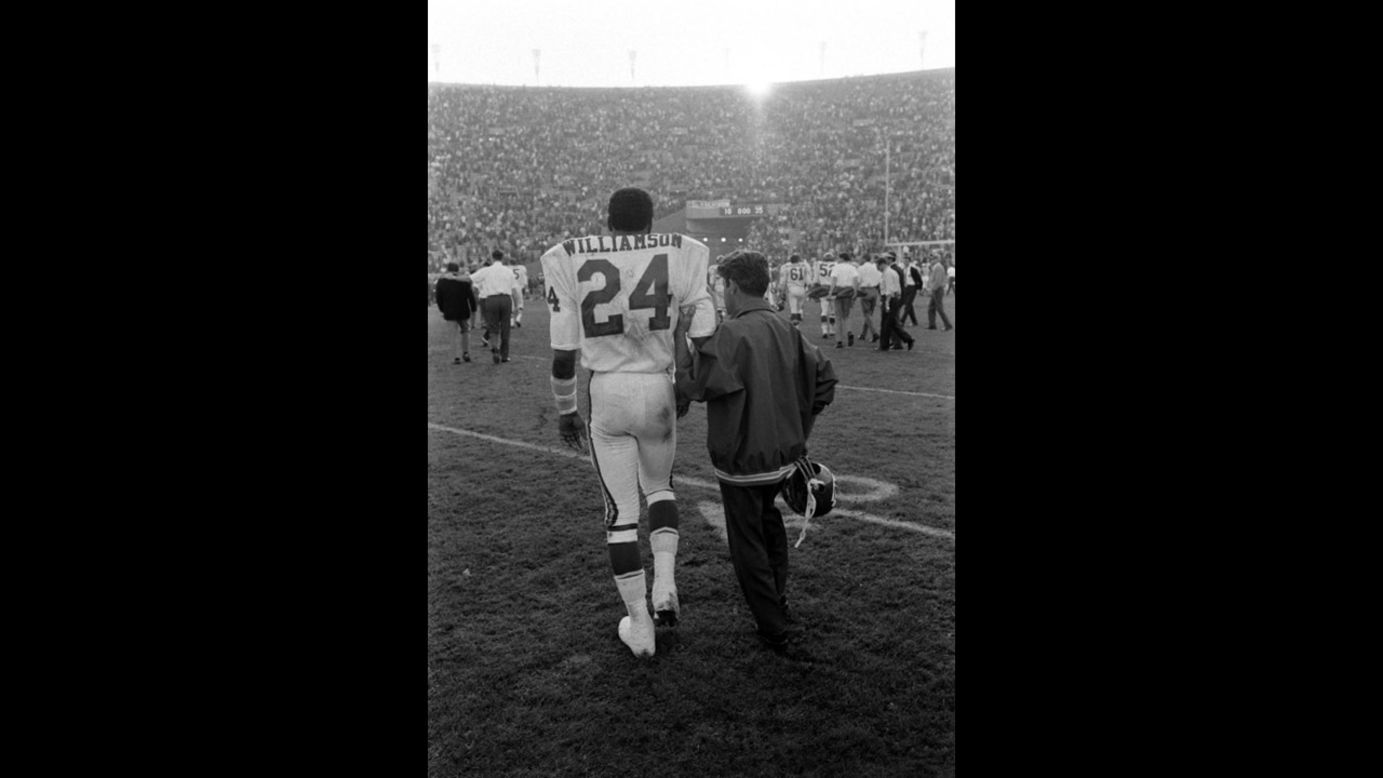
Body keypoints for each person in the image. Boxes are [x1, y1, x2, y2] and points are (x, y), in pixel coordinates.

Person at [541, 187, 717, 659]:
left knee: (620, 515)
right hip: (658, 384)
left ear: (608, 218)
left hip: (609, 391)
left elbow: (563, 356)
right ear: (651, 220)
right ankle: (664, 584)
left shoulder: (565, 255)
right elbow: (703, 332)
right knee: (660, 488)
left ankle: (640, 627)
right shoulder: (686, 251)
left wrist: (565, 411)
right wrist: (685, 384)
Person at [674, 250, 837, 654]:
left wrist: (679, 336)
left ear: (731, 286)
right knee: (770, 529)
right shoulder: (787, 328)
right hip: (783, 460)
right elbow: (825, 381)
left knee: (748, 543)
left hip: (743, 460)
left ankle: (773, 624)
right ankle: (777, 600)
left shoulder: (731, 334)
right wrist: (801, 431)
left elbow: (693, 385)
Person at [471, 250, 524, 362]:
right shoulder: (508, 271)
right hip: (505, 299)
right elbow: (515, 290)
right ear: (503, 258)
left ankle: (495, 348)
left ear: (492, 258)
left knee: (493, 326)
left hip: (491, 299)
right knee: (506, 328)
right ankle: (504, 356)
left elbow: (470, 279)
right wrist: (518, 305)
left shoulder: (486, 270)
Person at [434, 262, 479, 363]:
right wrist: (473, 308)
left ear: (447, 269)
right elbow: (470, 296)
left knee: (453, 334)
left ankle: (456, 357)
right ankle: (466, 352)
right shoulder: (464, 280)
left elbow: (438, 298)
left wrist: (442, 309)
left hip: (449, 311)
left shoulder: (442, 281)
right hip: (463, 310)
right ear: (458, 270)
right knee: (466, 331)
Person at [878, 252, 914, 351]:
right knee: (892, 323)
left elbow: (889, 290)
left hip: (889, 299)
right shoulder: (892, 272)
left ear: (882, 264)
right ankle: (907, 339)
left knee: (886, 324)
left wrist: (886, 303)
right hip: (893, 299)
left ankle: (884, 345)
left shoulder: (888, 273)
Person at [827, 252, 860, 348]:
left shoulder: (837, 267)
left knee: (838, 317)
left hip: (839, 290)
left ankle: (839, 341)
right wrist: (855, 291)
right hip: (849, 290)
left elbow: (834, 280)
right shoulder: (852, 267)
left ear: (842, 258)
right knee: (847, 315)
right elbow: (855, 280)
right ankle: (849, 331)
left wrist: (830, 292)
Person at [854, 252, 883, 344]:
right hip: (874, 290)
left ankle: (874, 333)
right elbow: (880, 278)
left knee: (867, 314)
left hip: (865, 290)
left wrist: (855, 292)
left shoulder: (861, 268)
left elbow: (858, 281)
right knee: (869, 314)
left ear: (864, 259)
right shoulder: (875, 267)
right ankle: (863, 333)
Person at [808, 253, 837, 340]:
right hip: (833, 288)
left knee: (824, 311)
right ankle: (832, 330)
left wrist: (814, 287)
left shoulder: (819, 264)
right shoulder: (836, 264)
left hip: (823, 288)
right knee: (833, 311)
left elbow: (816, 279)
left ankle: (824, 330)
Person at [778, 254, 811, 328]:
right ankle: (799, 315)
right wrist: (810, 288)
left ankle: (796, 328)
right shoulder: (804, 266)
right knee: (799, 308)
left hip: (792, 289)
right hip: (802, 289)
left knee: (793, 310)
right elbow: (808, 281)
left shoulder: (786, 267)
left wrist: (781, 290)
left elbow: (783, 281)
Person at [927, 254, 954, 331]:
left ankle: (948, 325)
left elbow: (938, 281)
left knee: (939, 308)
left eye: (933, 259)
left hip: (937, 290)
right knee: (931, 308)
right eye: (931, 259)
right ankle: (932, 325)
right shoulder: (936, 267)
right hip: (936, 289)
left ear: (937, 259)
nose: (931, 260)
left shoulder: (938, 267)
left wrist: (932, 289)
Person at [901, 254, 922, 327]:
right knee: (909, 305)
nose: (905, 262)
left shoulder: (913, 269)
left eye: (907, 260)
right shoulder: (903, 269)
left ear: (909, 261)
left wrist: (919, 288)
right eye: (904, 260)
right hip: (905, 288)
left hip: (912, 288)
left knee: (907, 306)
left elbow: (919, 279)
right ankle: (914, 321)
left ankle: (902, 321)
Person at [510, 260, 529, 327]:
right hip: (519, 288)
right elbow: (525, 279)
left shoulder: (508, 268)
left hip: (510, 288)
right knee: (520, 305)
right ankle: (518, 318)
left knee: (511, 306)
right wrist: (527, 289)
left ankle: (511, 322)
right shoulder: (522, 268)